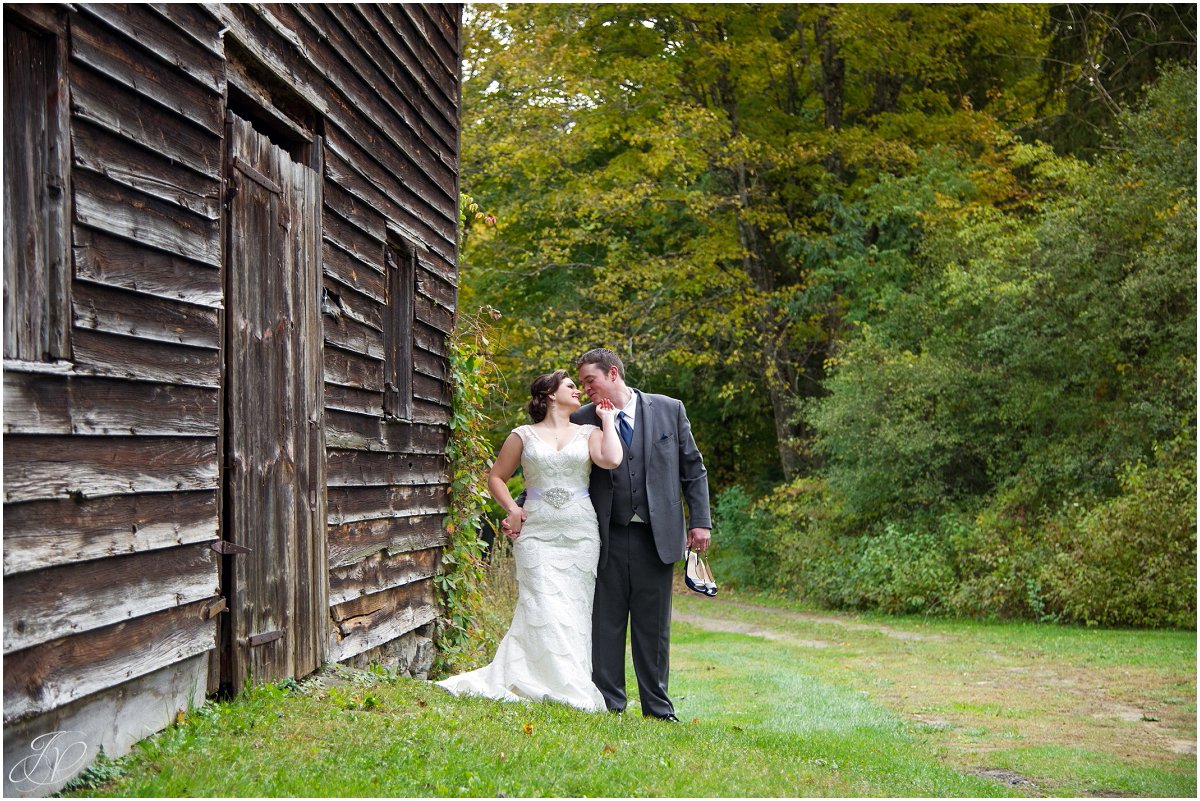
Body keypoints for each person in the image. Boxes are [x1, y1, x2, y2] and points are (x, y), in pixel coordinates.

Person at [436, 370, 623, 711]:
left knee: (573, 610)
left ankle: (570, 682)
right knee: (541, 605)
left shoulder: (590, 432)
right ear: (551, 394)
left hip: (580, 533)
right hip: (536, 534)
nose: (578, 391)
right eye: (570, 386)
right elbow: (497, 477)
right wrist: (512, 509)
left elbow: (610, 459)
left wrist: (608, 420)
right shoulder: (522, 435)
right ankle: (538, 679)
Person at [569, 348, 713, 720]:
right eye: (582, 382)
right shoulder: (582, 419)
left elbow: (693, 470)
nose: (584, 389)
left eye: (590, 380)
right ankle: (610, 704)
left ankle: (658, 708)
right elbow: (562, 468)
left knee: (653, 628)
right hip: (606, 536)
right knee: (606, 624)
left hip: (657, 536)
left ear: (612, 373)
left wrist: (701, 521)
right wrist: (523, 504)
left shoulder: (669, 409)